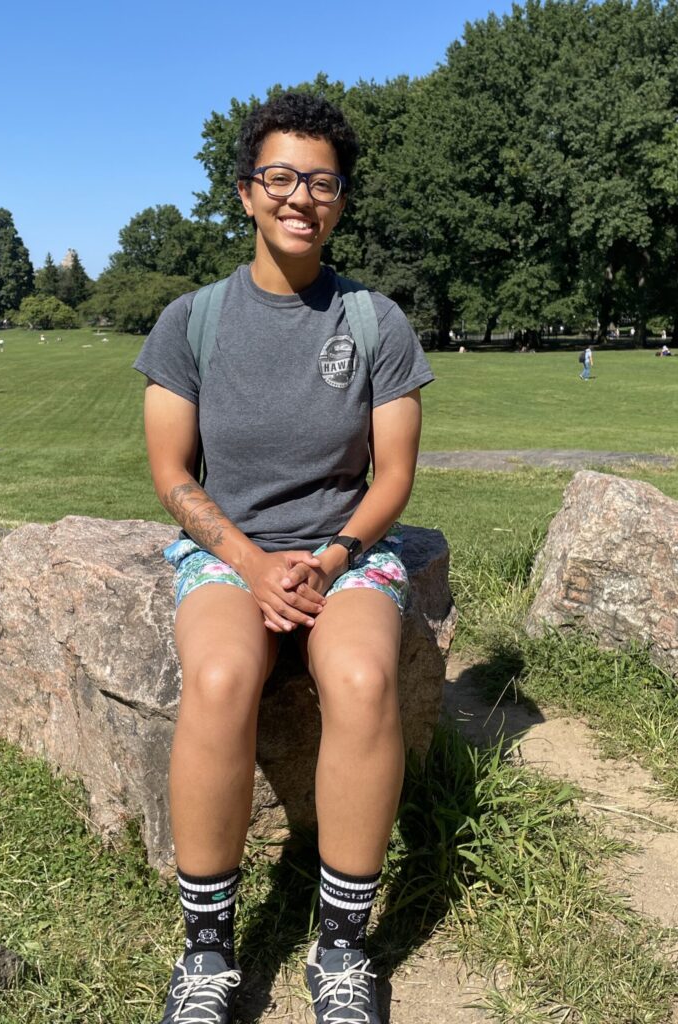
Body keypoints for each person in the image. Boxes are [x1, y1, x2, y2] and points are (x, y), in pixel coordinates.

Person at [134, 92, 434, 1024]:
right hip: (229, 552)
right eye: (281, 177)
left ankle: (342, 949)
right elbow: (172, 472)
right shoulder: (192, 322)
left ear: (341, 200)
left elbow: (392, 477)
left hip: (346, 554)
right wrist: (254, 563)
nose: (301, 196)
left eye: (322, 181)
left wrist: (333, 556)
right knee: (221, 676)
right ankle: (208, 953)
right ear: (247, 192)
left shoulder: (377, 322)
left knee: (359, 675)